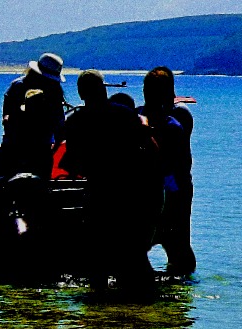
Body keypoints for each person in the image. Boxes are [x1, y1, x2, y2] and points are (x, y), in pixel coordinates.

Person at [62, 70, 162, 289]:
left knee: (97, 257)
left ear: (80, 93)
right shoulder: (125, 114)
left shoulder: (76, 121)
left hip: (98, 193)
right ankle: (145, 305)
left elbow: (72, 164)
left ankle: (97, 311)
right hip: (129, 193)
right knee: (134, 255)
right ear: (103, 89)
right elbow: (151, 150)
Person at [139, 66, 196, 275]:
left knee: (177, 244)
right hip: (164, 186)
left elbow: (172, 158)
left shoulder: (177, 116)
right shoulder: (148, 116)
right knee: (173, 243)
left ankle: (179, 286)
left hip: (173, 185)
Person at [0, 53, 68, 177]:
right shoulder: (54, 92)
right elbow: (60, 129)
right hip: (40, 152)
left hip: (17, 150)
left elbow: (6, 119)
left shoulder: (17, 86)